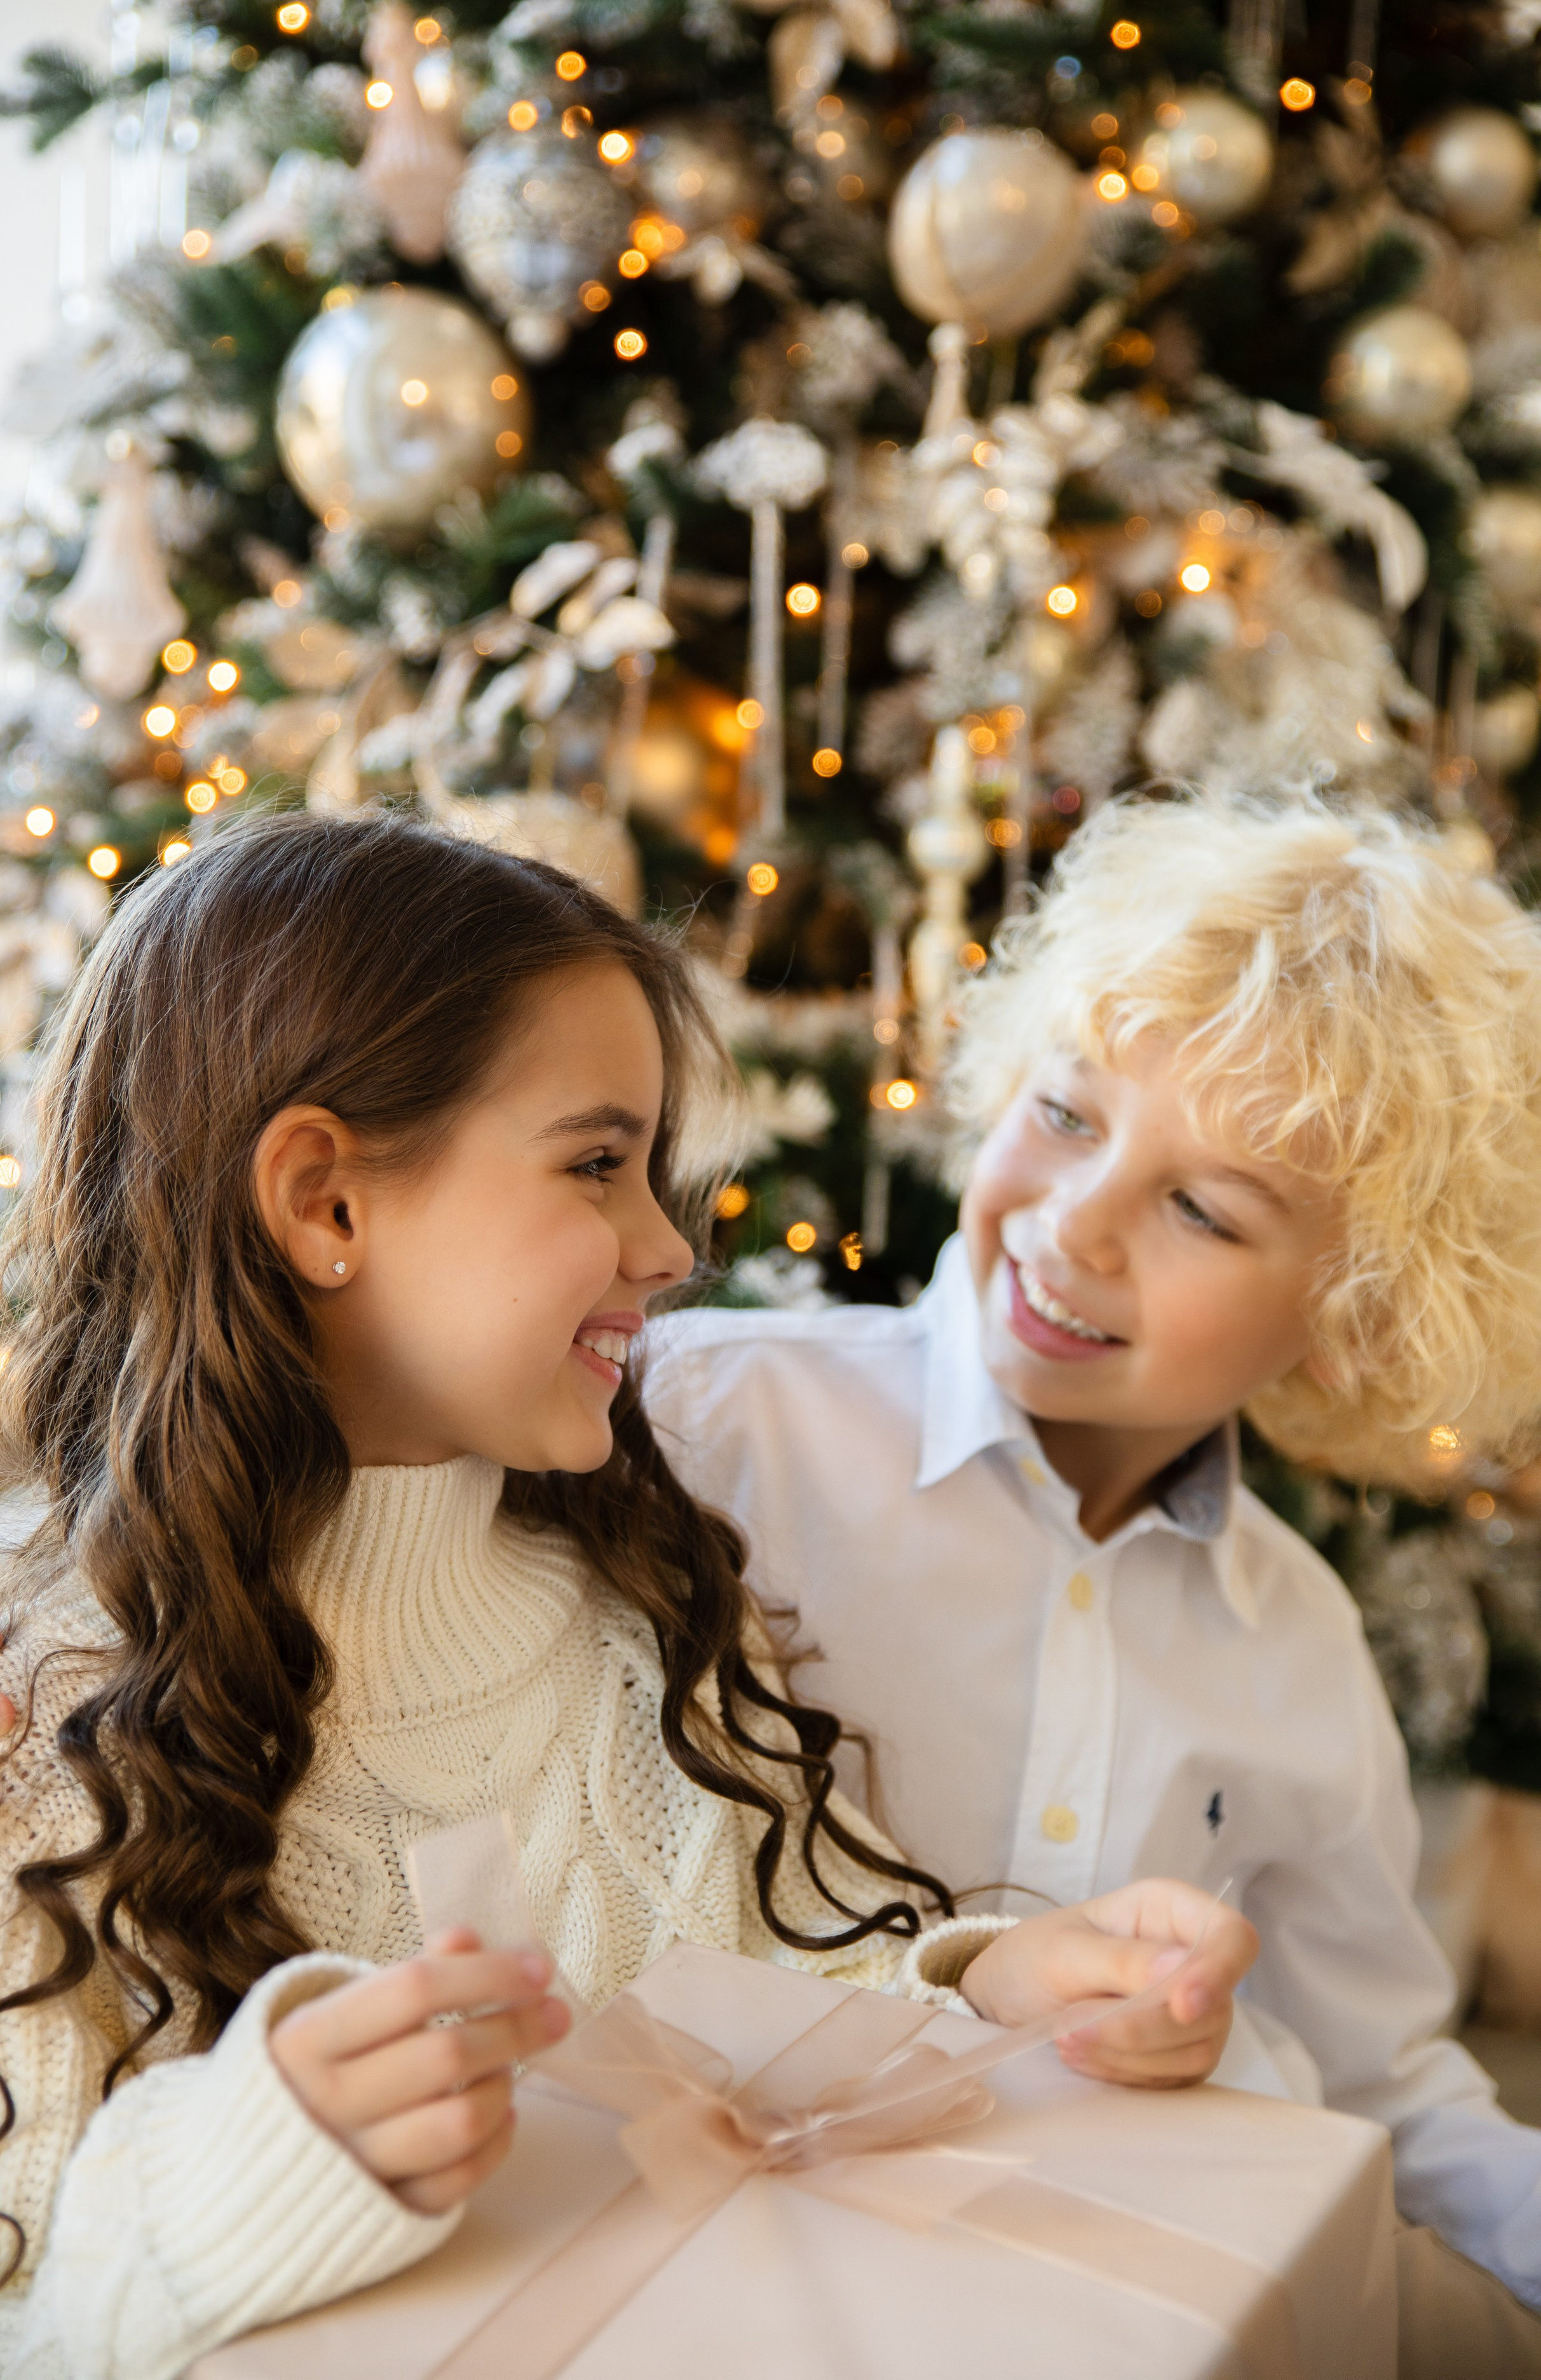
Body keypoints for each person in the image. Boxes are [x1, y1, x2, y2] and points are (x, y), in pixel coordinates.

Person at [0, 813, 1249, 2380]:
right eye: (597, 1164)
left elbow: (779, 1971)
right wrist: (248, 2178)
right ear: (325, 1203)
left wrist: (986, 1977)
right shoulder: (3, 1728)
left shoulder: (638, 1608)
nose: (667, 1245)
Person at [637, 795, 1541, 2364]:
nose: (1074, 1225)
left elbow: (1387, 2083)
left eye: (1201, 1209)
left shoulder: (1299, 1644)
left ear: (1353, 1318)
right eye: (1064, 1114)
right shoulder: (705, 1429)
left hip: (1126, 2313)